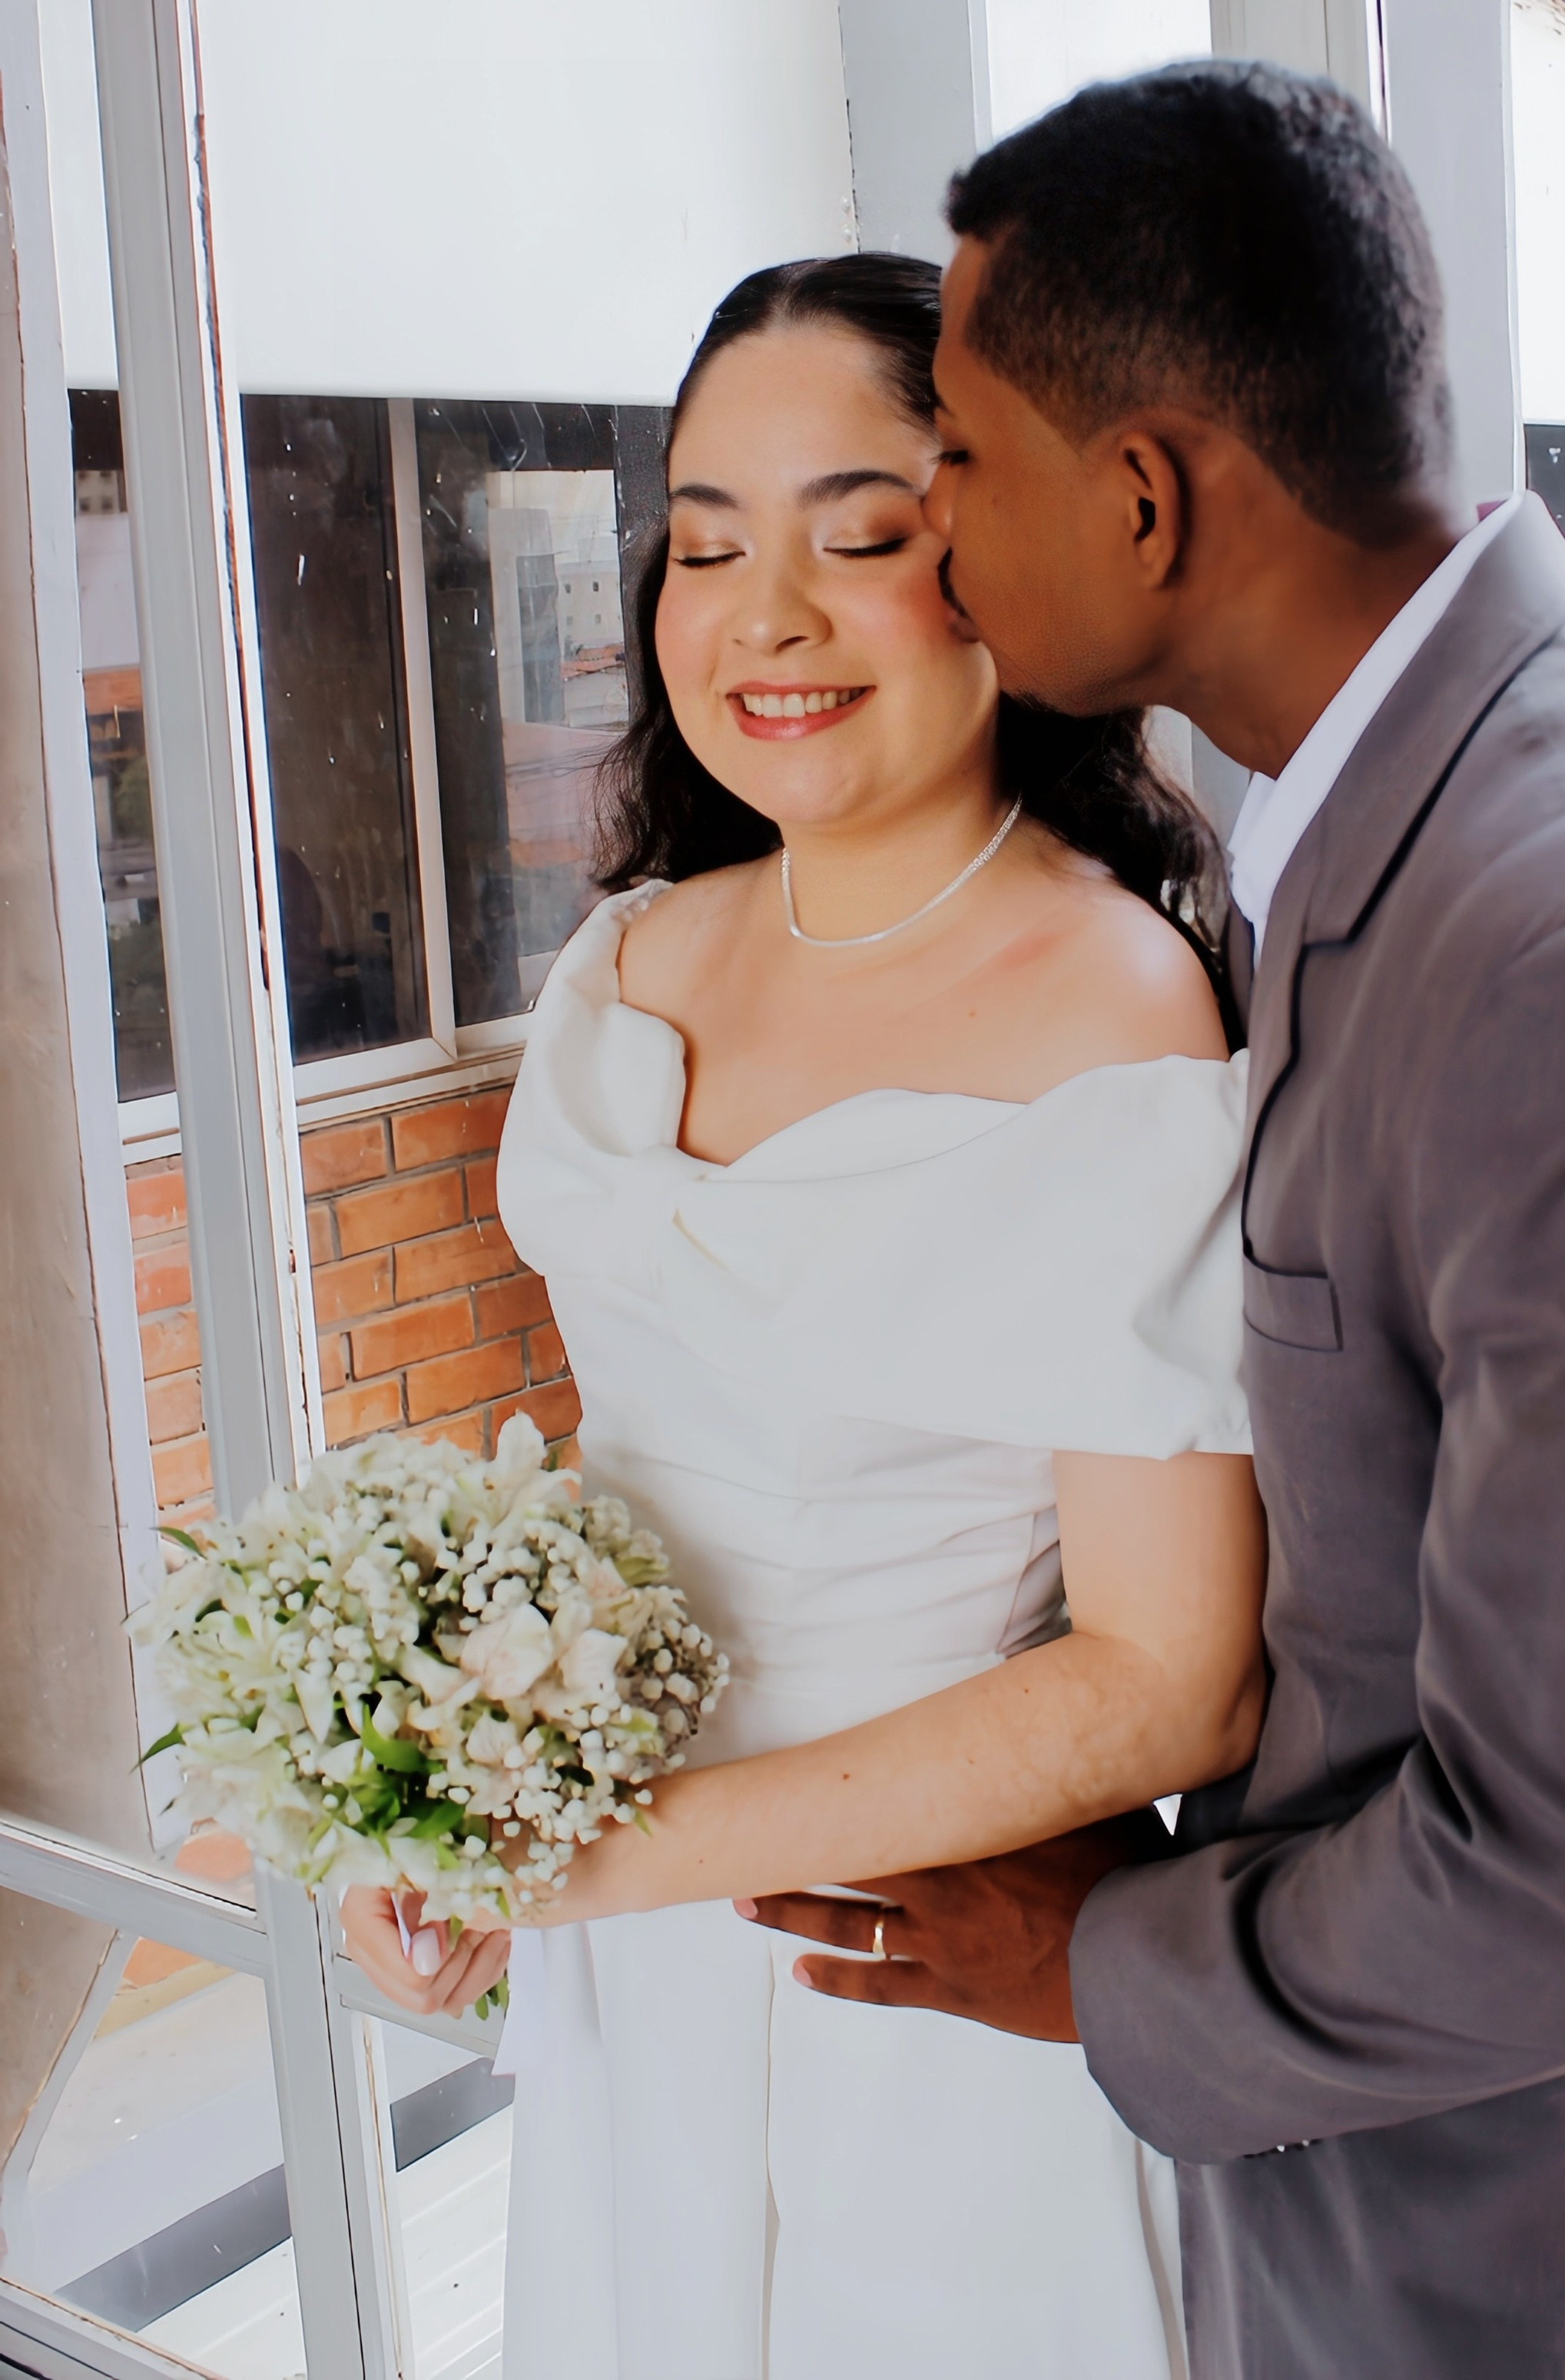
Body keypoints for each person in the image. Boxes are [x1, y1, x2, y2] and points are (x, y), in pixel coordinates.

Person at [743, 66, 1565, 2379]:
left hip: (1549, 2288)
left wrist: (1091, 1966)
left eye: (960, 461)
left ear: (1141, 495)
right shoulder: (1441, 817)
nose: (927, 532)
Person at [341, 250, 1266, 2380]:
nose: (765, 615)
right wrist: (459, 1805)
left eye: (860, 538)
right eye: (704, 542)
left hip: (918, 1957)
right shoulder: (628, 965)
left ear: (999, 563)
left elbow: (1168, 1671)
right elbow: (617, 1477)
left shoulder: (1115, 1005)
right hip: (628, 1964)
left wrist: (620, 1851)